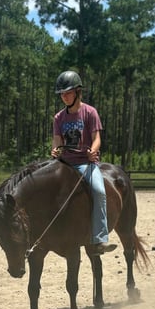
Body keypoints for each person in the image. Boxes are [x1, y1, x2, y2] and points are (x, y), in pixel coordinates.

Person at [50, 70, 117, 255]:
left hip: (85, 163)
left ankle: (100, 239)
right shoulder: (58, 118)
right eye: (62, 94)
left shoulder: (90, 113)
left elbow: (97, 139)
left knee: (99, 191)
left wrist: (93, 151)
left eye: (68, 92)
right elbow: (57, 139)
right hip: (63, 164)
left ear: (78, 91)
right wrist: (55, 150)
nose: (64, 97)